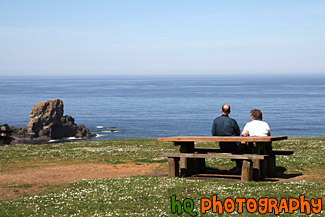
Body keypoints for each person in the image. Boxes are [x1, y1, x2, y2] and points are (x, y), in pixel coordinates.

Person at [212, 104, 241, 168]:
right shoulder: (232, 121)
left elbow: (214, 134)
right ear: (229, 112)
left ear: (221, 110)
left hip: (222, 145)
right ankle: (239, 167)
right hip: (233, 145)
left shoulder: (216, 121)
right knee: (240, 148)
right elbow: (238, 133)